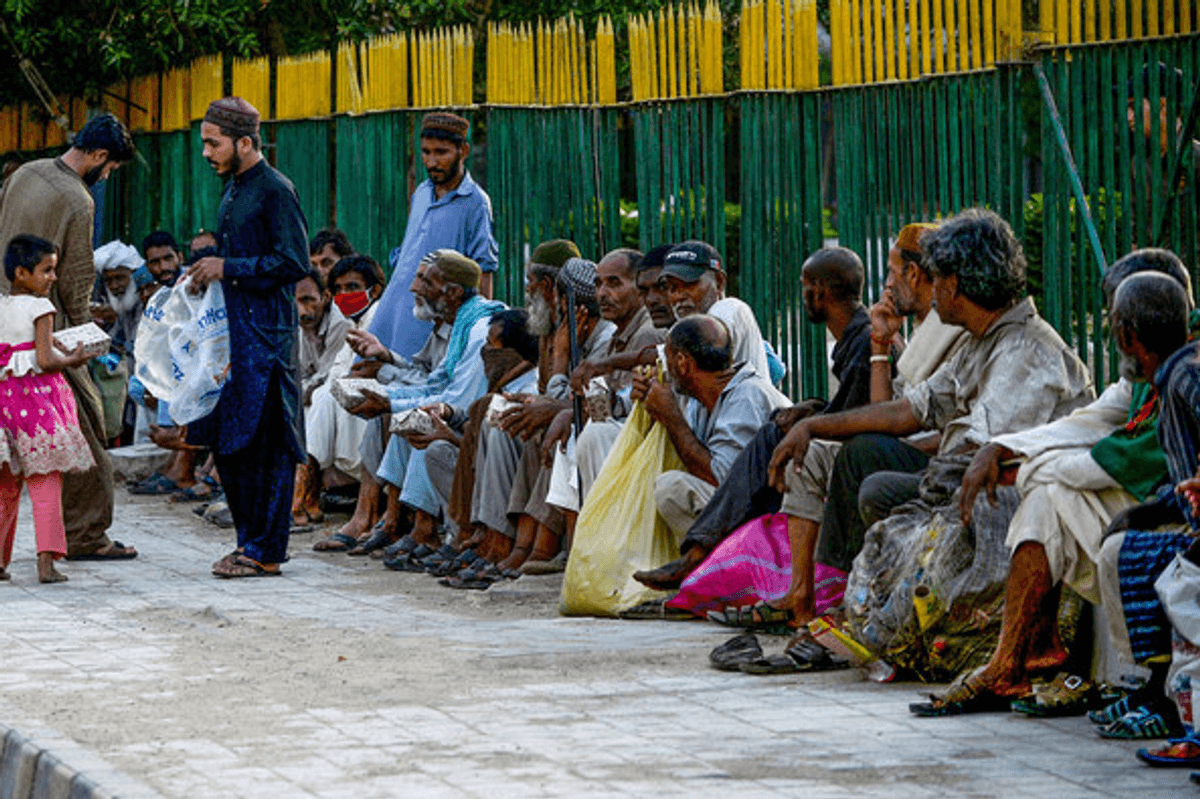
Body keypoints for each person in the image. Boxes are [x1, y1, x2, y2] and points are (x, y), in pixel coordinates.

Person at [764, 209, 1093, 662]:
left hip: (1006, 502)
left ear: (954, 285)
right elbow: (909, 412)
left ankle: (861, 616)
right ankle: (850, 607)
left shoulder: (1024, 348)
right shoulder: (984, 339)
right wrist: (811, 425)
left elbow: (980, 453)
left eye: (936, 279)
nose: (931, 290)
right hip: (965, 483)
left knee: (881, 487)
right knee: (869, 467)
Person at [634, 240, 929, 595]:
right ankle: (704, 555)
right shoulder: (855, 338)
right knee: (776, 430)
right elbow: (851, 409)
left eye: (806, 287)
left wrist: (810, 421)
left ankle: (702, 556)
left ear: (819, 293)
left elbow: (864, 418)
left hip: (876, 455)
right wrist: (812, 409)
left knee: (772, 440)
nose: (804, 295)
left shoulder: (865, 339)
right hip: (864, 443)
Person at [0, 111, 136, 561]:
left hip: (5, 320)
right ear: (98, 155)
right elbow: (75, 282)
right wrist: (87, 343)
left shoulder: (26, 173)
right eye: (110, 167)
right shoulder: (78, 200)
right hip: (46, 327)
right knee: (84, 424)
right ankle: (86, 534)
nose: (107, 175)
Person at [185, 96, 309, 579]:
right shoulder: (234, 188)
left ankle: (266, 551)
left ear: (244, 142)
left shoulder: (275, 189)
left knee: (268, 447)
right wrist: (208, 273)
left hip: (267, 342)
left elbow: (292, 262)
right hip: (233, 338)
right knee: (231, 441)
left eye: (213, 144)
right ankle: (247, 543)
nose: (206, 153)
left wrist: (227, 268)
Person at [348, 250, 504, 561]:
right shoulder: (453, 323)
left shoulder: (477, 330)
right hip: (458, 411)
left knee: (421, 422)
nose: (414, 288)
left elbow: (456, 399)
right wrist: (386, 366)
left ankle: (425, 529)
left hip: (478, 422)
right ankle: (394, 520)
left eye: (425, 281)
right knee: (404, 417)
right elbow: (431, 380)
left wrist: (390, 399)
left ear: (453, 292)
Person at [636, 315, 791, 543]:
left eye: (667, 360)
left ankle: (719, 571)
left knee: (672, 489)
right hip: (748, 509)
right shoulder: (701, 401)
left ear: (682, 362)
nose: (665, 369)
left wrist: (671, 418)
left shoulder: (746, 397)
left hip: (773, 518)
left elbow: (720, 480)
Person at [0, 235, 94, 583]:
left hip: (5, 401)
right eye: (47, 270)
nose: (53, 277)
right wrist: (73, 359)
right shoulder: (42, 308)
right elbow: (43, 359)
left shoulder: (2, 305)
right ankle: (46, 563)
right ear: (22, 273)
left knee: (5, 485)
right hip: (38, 402)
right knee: (45, 483)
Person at [368, 113, 498, 364]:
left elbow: (484, 269)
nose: (431, 161)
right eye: (426, 152)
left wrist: (478, 332)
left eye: (441, 152)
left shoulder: (475, 202)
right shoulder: (422, 193)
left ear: (464, 151)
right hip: (394, 307)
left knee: (413, 381)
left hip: (432, 318)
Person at [297, 268, 350, 406]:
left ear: (326, 297)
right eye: (294, 302)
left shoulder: (340, 324)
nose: (301, 311)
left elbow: (328, 379)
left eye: (307, 300)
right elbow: (299, 376)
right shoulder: (300, 325)